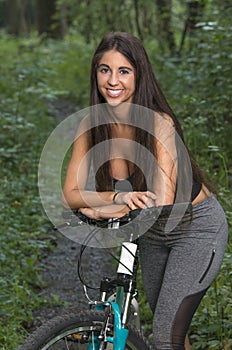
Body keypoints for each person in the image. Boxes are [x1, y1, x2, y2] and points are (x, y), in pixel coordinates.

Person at [62, 32, 228, 350]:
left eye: (124, 71)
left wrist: (97, 207)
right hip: (151, 233)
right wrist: (115, 198)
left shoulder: (158, 123)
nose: (113, 80)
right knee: (172, 329)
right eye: (104, 69)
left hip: (196, 229)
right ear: (95, 73)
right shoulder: (90, 126)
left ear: (139, 75)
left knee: (166, 335)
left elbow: (161, 200)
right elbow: (70, 192)